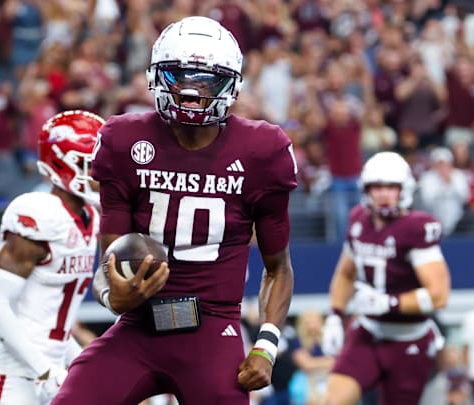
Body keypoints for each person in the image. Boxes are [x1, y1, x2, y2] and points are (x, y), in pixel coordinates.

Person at [54, 16, 298, 404]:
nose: (190, 91)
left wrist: (266, 346)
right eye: (179, 77)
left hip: (213, 329)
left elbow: (278, 268)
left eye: (205, 80)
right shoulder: (124, 140)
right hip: (138, 325)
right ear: (156, 77)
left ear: (230, 85)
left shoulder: (262, 151)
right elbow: (110, 260)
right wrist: (110, 296)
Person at [0, 110, 103, 404]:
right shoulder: (39, 213)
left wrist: (76, 363)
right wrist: (44, 369)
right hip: (13, 375)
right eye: (89, 165)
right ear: (61, 164)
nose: (99, 173)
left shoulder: (90, 219)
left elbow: (51, 324)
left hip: (51, 372)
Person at [321, 151, 451, 405]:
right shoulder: (359, 220)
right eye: (377, 186)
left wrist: (388, 303)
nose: (383, 193)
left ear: (405, 189)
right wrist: (335, 317)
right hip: (369, 331)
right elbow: (345, 274)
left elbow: (439, 295)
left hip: (408, 338)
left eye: (391, 187)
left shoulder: (416, 227)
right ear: (366, 190)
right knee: (333, 400)